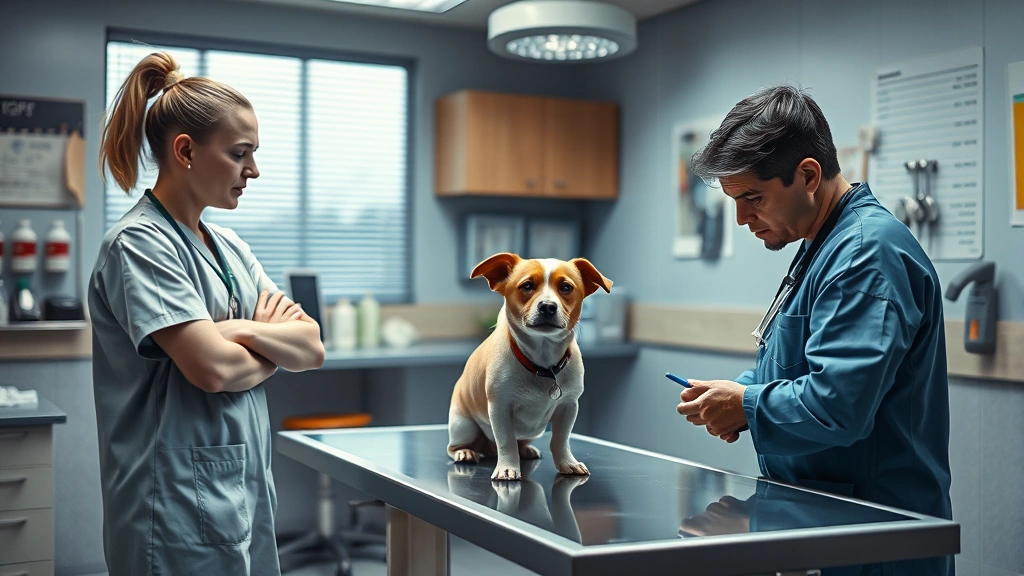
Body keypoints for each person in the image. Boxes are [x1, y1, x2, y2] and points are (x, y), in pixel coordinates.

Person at [675, 85, 953, 575]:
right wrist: (740, 392)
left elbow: (837, 405)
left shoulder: (867, 255)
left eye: (753, 198)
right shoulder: (822, 243)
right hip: (826, 525)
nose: (741, 218)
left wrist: (746, 406)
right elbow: (804, 360)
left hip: (875, 543)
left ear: (807, 175)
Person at [90, 52, 325, 575]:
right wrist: (267, 341)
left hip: (238, 485)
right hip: (169, 499)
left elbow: (312, 346)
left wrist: (239, 331)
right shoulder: (138, 246)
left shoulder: (231, 246)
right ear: (185, 151)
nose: (254, 170)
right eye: (240, 153)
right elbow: (212, 370)